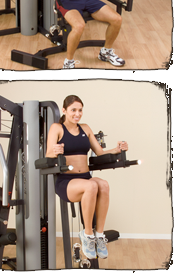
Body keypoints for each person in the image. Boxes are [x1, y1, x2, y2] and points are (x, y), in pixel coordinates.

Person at [46, 94, 128, 260]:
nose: (77, 114)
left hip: (84, 178)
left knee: (103, 184)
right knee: (92, 185)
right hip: (66, 182)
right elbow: (48, 153)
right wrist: (54, 152)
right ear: (64, 110)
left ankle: (99, 235)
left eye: (80, 110)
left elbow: (100, 152)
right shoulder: (57, 128)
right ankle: (87, 235)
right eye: (73, 110)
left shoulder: (85, 128)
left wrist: (118, 149)